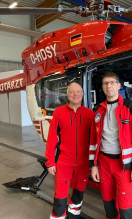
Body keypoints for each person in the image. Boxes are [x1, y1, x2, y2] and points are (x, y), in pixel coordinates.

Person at [90, 72, 132, 219]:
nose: (109, 86)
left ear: (119, 86)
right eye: (105, 83)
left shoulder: (130, 107)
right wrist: (93, 165)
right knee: (108, 203)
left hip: (123, 165)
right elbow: (93, 140)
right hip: (103, 163)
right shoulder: (99, 110)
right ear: (102, 87)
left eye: (112, 82)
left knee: (125, 207)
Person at [45, 82, 94, 219]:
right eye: (72, 92)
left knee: (79, 192)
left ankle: (74, 215)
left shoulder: (89, 114)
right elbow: (52, 138)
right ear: (67, 95)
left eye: (78, 91)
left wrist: (94, 162)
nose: (75, 94)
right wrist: (50, 161)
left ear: (82, 94)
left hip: (83, 163)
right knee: (61, 194)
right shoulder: (59, 112)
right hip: (64, 162)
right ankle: (57, 216)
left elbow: (94, 140)